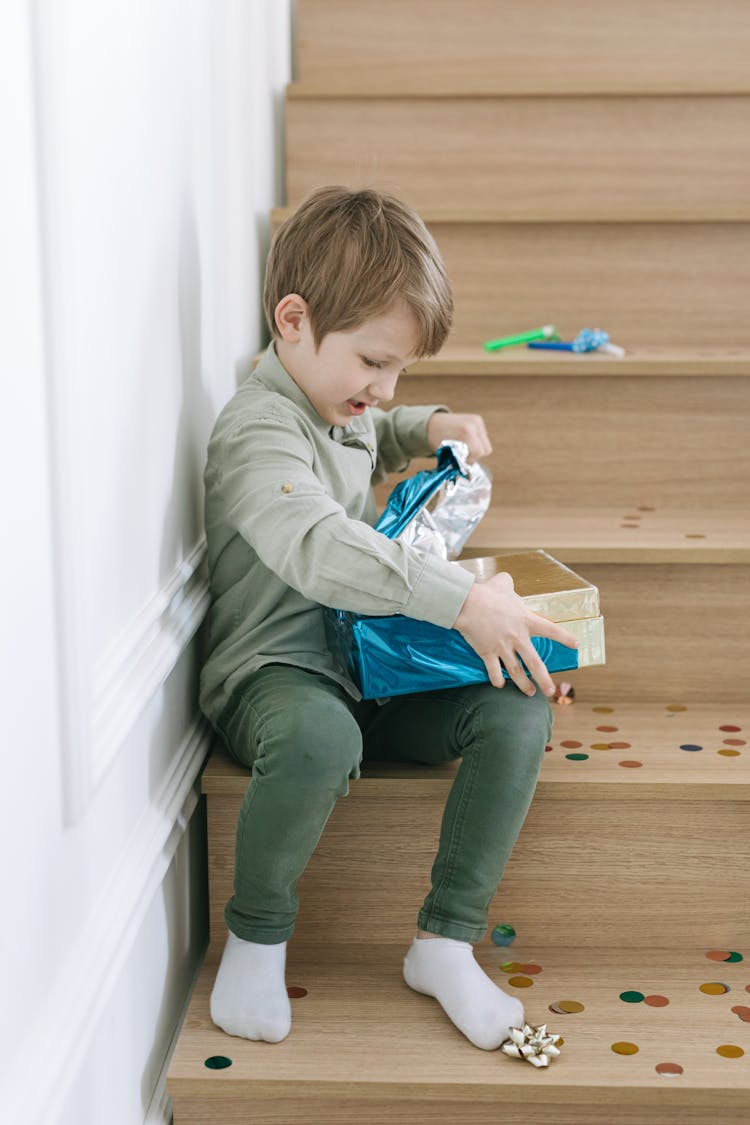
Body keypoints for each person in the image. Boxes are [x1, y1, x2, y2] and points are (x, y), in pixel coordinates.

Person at [199, 186, 578, 1050]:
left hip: (364, 661)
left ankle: (445, 941)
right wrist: (463, 600)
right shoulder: (256, 430)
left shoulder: (345, 400)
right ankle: (256, 938)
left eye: (400, 370)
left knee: (515, 702)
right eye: (375, 363)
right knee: (323, 739)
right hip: (277, 672)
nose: (385, 387)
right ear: (291, 320)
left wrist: (424, 421)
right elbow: (316, 543)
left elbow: (373, 428)